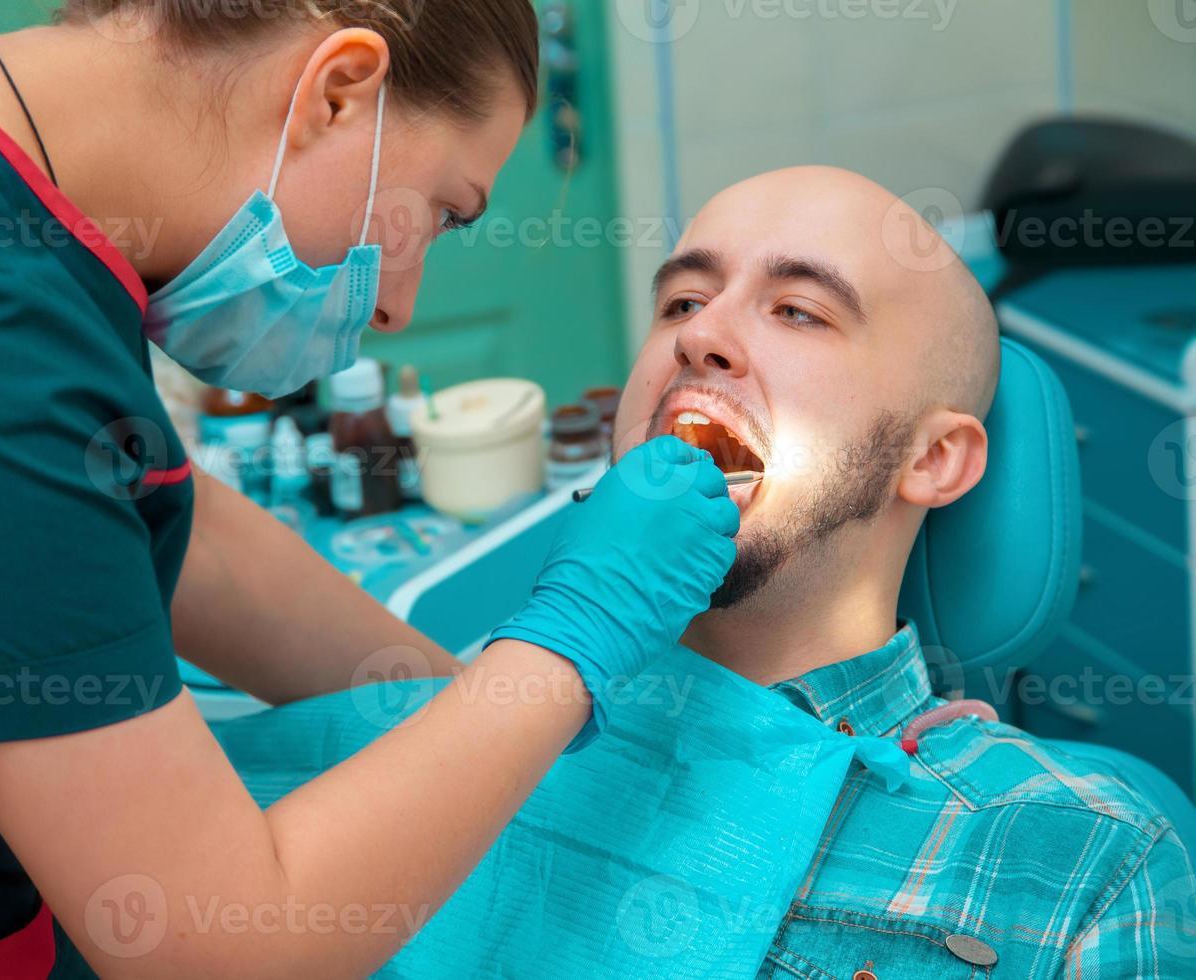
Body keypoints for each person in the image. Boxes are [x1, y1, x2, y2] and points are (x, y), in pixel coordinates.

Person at [0, 1, 743, 976]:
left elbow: (160, 521)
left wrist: (461, 714)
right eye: (440, 212)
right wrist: (570, 644)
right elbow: (217, 941)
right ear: (336, 91)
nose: (399, 304)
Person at [218, 166, 1196, 976]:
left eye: (800, 311)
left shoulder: (1083, 854)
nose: (698, 334)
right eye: (684, 299)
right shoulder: (466, 732)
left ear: (934, 459)